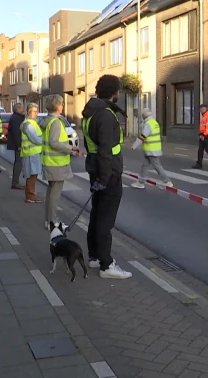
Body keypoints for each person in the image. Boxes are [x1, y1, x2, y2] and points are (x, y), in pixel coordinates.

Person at [82, 74, 132, 279]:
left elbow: (91, 146)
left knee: (96, 214)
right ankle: (107, 265)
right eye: (118, 90)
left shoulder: (90, 113)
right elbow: (105, 150)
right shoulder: (105, 115)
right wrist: (105, 178)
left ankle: (94, 256)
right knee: (105, 219)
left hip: (96, 170)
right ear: (114, 93)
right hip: (108, 174)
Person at [43, 95, 80, 225]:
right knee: (55, 194)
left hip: (50, 162)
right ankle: (52, 221)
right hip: (57, 163)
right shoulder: (56, 123)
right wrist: (71, 148)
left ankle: (49, 220)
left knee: (51, 192)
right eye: (62, 104)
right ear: (57, 106)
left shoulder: (48, 121)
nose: (63, 106)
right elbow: (54, 143)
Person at [131, 108, 173, 189]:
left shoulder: (148, 124)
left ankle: (167, 181)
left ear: (144, 115)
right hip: (153, 149)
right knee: (145, 166)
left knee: (157, 166)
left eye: (142, 115)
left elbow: (143, 136)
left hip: (151, 149)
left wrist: (134, 145)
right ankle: (141, 182)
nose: (142, 116)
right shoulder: (154, 122)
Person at [20, 103, 44, 203]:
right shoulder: (28, 124)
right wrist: (45, 140)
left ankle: (31, 194)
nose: (35, 113)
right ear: (28, 112)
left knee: (33, 174)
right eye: (33, 111)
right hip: (31, 153)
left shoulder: (32, 123)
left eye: (36, 111)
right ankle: (30, 195)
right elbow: (35, 139)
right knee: (32, 175)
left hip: (33, 152)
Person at [7, 103, 26, 190]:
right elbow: (17, 133)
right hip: (18, 144)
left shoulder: (17, 117)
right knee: (18, 163)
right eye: (22, 108)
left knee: (19, 163)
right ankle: (15, 183)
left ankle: (16, 182)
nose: (24, 109)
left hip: (18, 144)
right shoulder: (16, 118)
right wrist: (19, 145)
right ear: (17, 109)